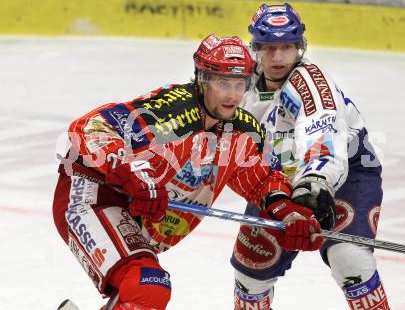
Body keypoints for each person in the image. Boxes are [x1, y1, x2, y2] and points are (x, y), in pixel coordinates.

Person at [52, 34, 325, 310]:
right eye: (222, 83)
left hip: (137, 214)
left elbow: (262, 179)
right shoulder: (173, 110)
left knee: (144, 288)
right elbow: (89, 128)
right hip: (92, 194)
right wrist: (133, 172)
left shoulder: (243, 129)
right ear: (202, 79)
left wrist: (288, 213)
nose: (233, 95)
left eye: (240, 84)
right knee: (147, 284)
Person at [231, 4, 390, 310]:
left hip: (342, 176)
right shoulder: (238, 83)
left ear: (299, 47)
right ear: (256, 48)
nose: (278, 58)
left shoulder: (311, 84)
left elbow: (323, 136)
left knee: (349, 259)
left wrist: (315, 185)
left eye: (287, 47)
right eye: (269, 47)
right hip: (274, 180)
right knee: (249, 274)